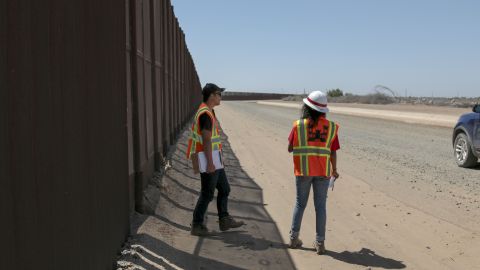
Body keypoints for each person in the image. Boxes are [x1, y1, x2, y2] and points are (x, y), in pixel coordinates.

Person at [186, 83, 244, 236]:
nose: (220, 97)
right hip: (208, 160)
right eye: (219, 94)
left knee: (224, 189)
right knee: (207, 193)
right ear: (211, 95)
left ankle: (224, 219)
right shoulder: (205, 113)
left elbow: (211, 139)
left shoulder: (209, 111)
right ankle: (197, 225)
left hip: (214, 159)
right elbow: (206, 139)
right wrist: (211, 162)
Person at [287, 90, 340, 254]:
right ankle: (320, 243)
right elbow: (333, 151)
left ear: (307, 107)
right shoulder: (331, 127)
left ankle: (294, 239)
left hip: (303, 171)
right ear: (323, 110)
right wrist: (335, 170)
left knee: (300, 204)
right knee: (320, 207)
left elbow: (290, 148)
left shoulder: (298, 125)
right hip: (323, 172)